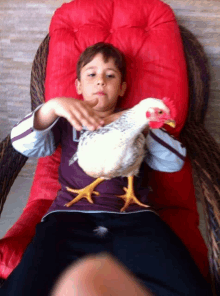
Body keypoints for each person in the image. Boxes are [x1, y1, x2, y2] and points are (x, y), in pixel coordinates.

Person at [1, 42, 212, 295]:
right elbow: (22, 144)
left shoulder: (136, 120)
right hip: (69, 216)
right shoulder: (66, 120)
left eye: (110, 75)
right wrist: (52, 107)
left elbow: (173, 162)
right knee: (25, 285)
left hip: (134, 217)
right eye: (91, 74)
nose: (101, 81)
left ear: (122, 88)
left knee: (187, 287)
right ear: (78, 86)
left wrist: (144, 123)